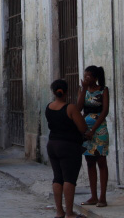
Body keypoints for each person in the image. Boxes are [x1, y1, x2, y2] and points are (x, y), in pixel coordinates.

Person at [46, 79, 87, 218]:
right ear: (66, 92)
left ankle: (59, 212)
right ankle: (69, 213)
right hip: (69, 146)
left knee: (57, 178)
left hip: (52, 145)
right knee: (69, 179)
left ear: (53, 92)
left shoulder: (48, 107)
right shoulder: (71, 108)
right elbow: (83, 128)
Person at [77, 65, 110, 208]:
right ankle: (93, 196)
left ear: (95, 78)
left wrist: (94, 129)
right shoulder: (82, 90)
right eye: (85, 76)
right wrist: (84, 89)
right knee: (89, 162)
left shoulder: (103, 90)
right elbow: (78, 108)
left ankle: (103, 197)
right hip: (85, 129)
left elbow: (105, 111)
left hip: (99, 129)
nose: (86, 78)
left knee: (101, 161)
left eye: (89, 76)